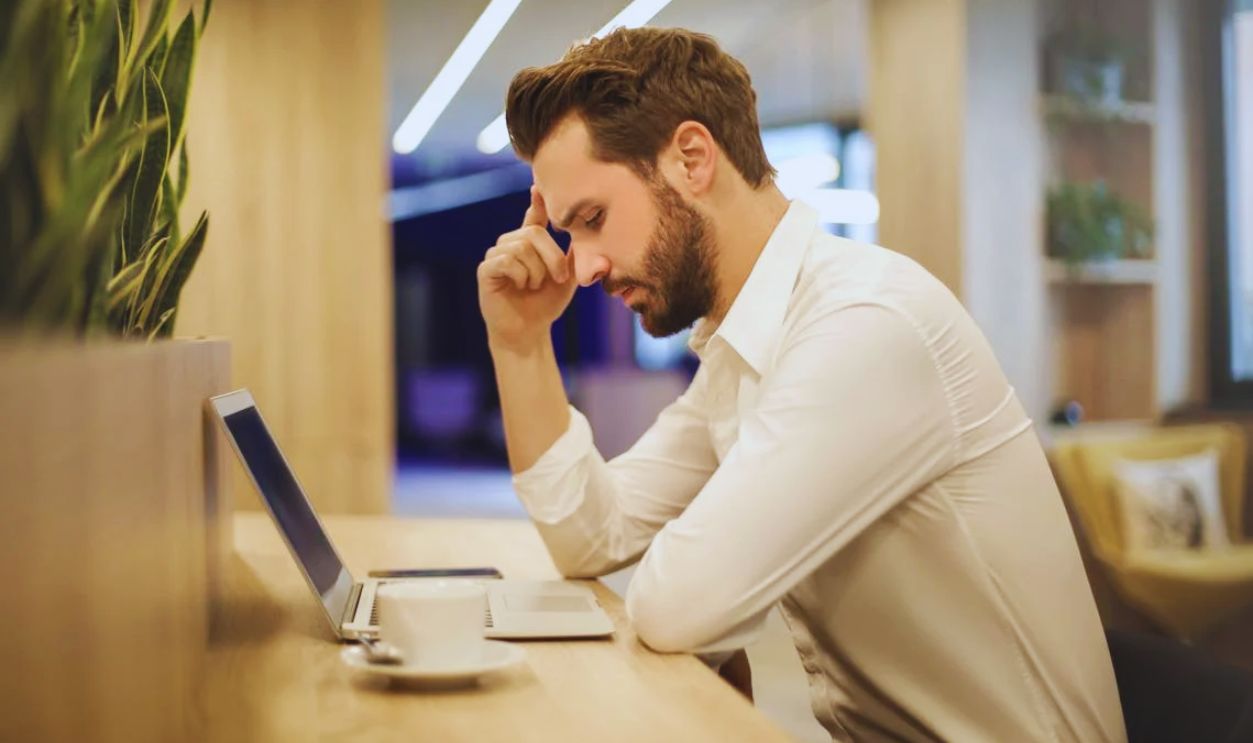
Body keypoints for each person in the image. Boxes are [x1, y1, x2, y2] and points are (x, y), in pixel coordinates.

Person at [475, 26, 1126, 742]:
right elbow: (590, 535)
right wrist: (520, 342)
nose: (585, 266)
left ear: (691, 158)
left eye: (592, 219)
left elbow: (675, 603)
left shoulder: (864, 324)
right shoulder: (742, 350)